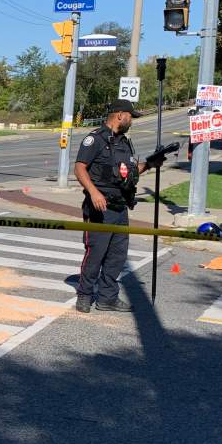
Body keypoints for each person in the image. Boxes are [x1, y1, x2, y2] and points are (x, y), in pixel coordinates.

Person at [73, 98, 164, 313]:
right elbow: (79, 168)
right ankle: (84, 295)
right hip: (100, 207)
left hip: (120, 207)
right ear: (120, 115)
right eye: (131, 117)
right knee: (96, 253)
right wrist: (93, 192)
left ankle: (107, 298)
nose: (132, 121)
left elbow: (127, 172)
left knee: (117, 256)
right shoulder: (95, 139)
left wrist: (150, 164)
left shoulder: (124, 142)